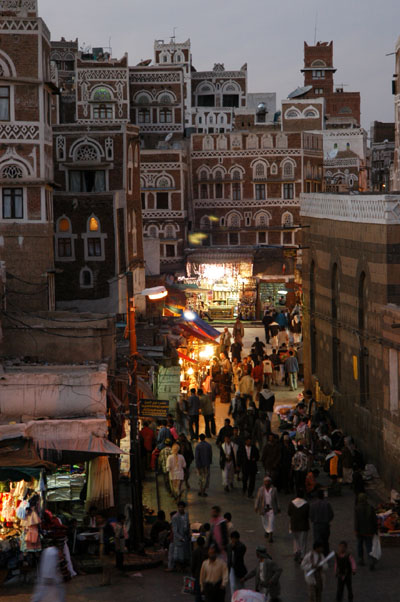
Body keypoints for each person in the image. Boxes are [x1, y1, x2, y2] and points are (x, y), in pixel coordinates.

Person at [31, 534, 66, 602]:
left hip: (48, 584)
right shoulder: (52, 553)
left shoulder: (48, 552)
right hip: (50, 585)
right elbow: (49, 572)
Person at [354, 493, 378, 569]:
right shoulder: (371, 508)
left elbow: (356, 521)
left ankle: (361, 559)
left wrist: (356, 530)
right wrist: (375, 530)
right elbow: (374, 520)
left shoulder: (357, 508)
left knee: (359, 545)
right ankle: (371, 561)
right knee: (369, 546)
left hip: (360, 531)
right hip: (369, 531)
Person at [255, 476, 280, 543]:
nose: (267, 483)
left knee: (271, 522)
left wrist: (278, 507)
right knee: (265, 521)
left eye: (268, 482)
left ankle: (270, 535)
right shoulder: (261, 490)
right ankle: (267, 530)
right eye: (265, 482)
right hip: (264, 509)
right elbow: (258, 499)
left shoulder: (274, 490)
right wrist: (256, 506)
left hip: (271, 509)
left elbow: (277, 499)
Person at [310, 489, 334, 557]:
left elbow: (311, 516)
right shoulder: (327, 504)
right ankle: (326, 554)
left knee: (317, 541)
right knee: (325, 541)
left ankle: (318, 555)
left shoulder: (313, 505)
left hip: (317, 525)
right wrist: (328, 520)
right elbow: (331, 514)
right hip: (325, 525)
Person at [288, 489, 310, 562]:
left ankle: (297, 552)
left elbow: (289, 513)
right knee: (303, 541)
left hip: (294, 525)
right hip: (303, 525)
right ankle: (302, 555)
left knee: (296, 540)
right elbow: (308, 515)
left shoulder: (292, 503)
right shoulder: (306, 504)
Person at [171, 501, 191, 571]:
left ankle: (183, 567)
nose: (181, 509)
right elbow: (175, 530)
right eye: (179, 507)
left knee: (185, 554)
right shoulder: (175, 517)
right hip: (179, 538)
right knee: (179, 555)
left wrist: (189, 534)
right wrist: (180, 538)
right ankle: (179, 567)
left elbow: (188, 524)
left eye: (182, 507)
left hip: (185, 536)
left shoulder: (186, 515)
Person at [192, 536, 208, 602]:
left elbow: (193, 564)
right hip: (206, 574)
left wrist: (193, 573)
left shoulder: (195, 551)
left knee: (198, 593)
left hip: (198, 574)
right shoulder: (206, 551)